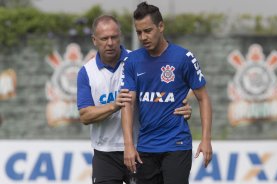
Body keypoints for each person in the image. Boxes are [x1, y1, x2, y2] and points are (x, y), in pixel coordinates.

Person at [76, 15, 192, 184]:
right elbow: (85, 116)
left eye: (114, 37)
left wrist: (182, 107)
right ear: (94, 40)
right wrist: (115, 105)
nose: (110, 43)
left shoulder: (139, 60)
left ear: (120, 37)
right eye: (104, 38)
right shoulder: (86, 72)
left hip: (140, 150)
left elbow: (165, 92)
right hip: (105, 153)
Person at [121, 2, 213, 184]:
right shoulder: (132, 61)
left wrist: (206, 139)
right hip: (145, 147)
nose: (143, 37)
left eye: (148, 30)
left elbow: (203, 98)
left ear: (161, 26)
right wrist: (129, 145)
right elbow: (127, 104)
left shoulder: (184, 58)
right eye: (139, 32)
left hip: (177, 145)